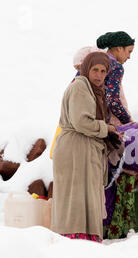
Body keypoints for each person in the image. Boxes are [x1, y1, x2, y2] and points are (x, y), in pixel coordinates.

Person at [51, 51, 119, 243]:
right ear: (86, 69)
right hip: (76, 149)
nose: (99, 75)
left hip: (82, 149)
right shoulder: (80, 87)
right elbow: (81, 122)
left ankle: (84, 242)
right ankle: (75, 242)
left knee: (85, 198)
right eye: (94, 70)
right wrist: (107, 128)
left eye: (103, 71)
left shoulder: (94, 90)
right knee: (77, 199)